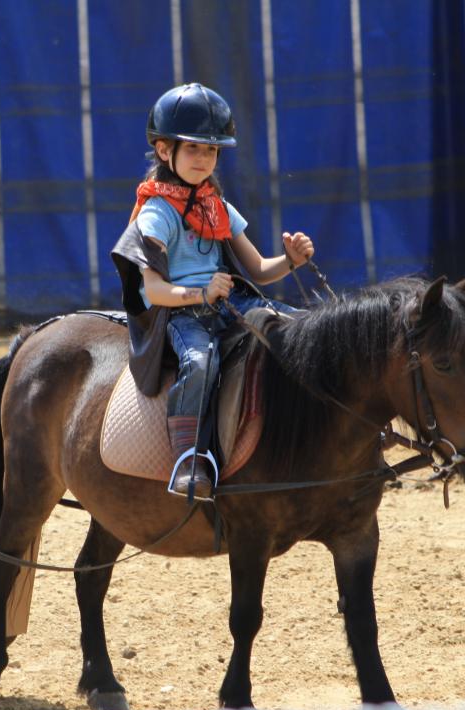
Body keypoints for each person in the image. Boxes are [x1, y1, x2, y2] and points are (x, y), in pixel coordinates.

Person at [111, 83, 315, 501]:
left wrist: (291, 260)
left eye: (212, 151)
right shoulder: (156, 213)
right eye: (194, 149)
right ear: (165, 151)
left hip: (231, 301)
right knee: (200, 361)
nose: (204, 159)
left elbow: (259, 268)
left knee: (301, 330)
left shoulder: (216, 205)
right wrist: (200, 293)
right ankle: (190, 458)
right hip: (183, 313)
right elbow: (154, 291)